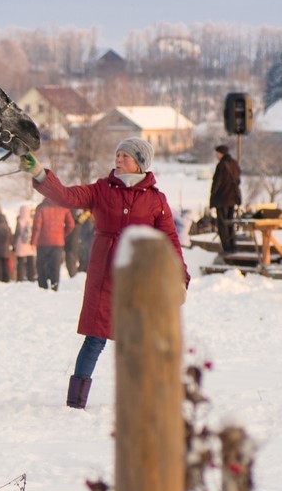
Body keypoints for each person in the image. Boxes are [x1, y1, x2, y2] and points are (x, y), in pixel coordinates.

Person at [20, 137, 189, 411]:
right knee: (95, 339)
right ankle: (76, 401)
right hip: (104, 277)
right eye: (117, 154)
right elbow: (67, 197)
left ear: (140, 163)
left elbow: (170, 239)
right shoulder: (101, 190)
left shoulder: (156, 200)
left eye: (125, 156)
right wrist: (40, 174)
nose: (118, 159)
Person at [33, 197, 75, 292]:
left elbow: (37, 226)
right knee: (55, 265)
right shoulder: (63, 207)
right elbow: (71, 224)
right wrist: (62, 234)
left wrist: (33, 241)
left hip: (43, 242)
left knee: (41, 264)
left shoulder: (41, 207)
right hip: (58, 242)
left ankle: (43, 286)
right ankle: (54, 285)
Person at [210, 144, 242, 255]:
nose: (216, 155)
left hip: (222, 199)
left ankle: (227, 248)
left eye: (217, 153)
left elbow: (216, 183)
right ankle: (233, 245)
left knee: (222, 224)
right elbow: (238, 180)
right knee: (230, 223)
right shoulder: (234, 164)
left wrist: (212, 198)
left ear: (221, 153)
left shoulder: (221, 165)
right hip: (232, 199)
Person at [13, 204, 37, 282]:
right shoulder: (31, 220)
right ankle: (31, 277)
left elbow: (17, 233)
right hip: (29, 244)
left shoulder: (19, 220)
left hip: (21, 244)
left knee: (20, 263)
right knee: (30, 262)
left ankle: (20, 277)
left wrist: (14, 243)